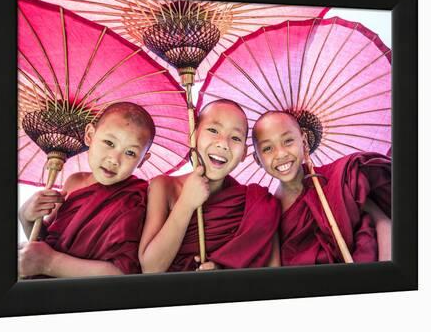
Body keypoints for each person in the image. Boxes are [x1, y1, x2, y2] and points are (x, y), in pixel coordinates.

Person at [139, 99, 281, 273]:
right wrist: (186, 203)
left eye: (235, 138)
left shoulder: (255, 204)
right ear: (193, 136)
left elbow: (273, 275)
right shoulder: (164, 186)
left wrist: (223, 270)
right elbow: (150, 268)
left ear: (244, 153)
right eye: (213, 130)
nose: (223, 144)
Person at [18, 102, 155, 278]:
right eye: (109, 142)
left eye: (130, 153)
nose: (114, 159)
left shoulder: (136, 198)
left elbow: (122, 273)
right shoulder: (74, 182)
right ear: (90, 135)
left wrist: (50, 263)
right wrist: (26, 218)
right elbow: (47, 243)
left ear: (143, 159)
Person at [251, 110, 391, 266]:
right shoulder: (268, 212)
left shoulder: (337, 179)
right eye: (267, 148)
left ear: (303, 142)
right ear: (257, 159)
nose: (281, 154)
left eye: (288, 141)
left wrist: (384, 274)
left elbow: (384, 223)